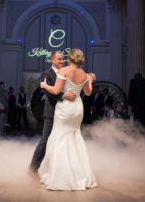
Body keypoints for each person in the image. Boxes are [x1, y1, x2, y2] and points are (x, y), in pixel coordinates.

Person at [37, 48, 97, 190]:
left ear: (70, 59)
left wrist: (45, 86)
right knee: (75, 137)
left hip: (65, 108)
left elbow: (56, 91)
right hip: (77, 108)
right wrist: (90, 80)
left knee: (60, 137)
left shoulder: (64, 71)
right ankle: (79, 174)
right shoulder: (83, 73)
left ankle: (61, 176)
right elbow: (88, 93)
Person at [28, 51, 77, 180]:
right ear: (52, 60)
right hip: (51, 113)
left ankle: (61, 171)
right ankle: (33, 169)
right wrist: (64, 96)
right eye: (60, 59)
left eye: (63, 59)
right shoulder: (46, 74)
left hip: (64, 112)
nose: (62, 61)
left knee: (64, 141)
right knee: (45, 140)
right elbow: (49, 93)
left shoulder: (65, 73)